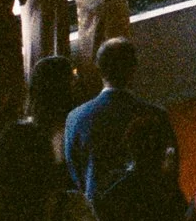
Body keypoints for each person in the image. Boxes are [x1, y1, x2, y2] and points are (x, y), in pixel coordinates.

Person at [63, 36, 174, 199]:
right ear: (133, 68)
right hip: (149, 208)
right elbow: (169, 171)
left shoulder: (75, 118)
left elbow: (75, 173)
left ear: (99, 69)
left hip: (100, 214)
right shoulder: (156, 116)